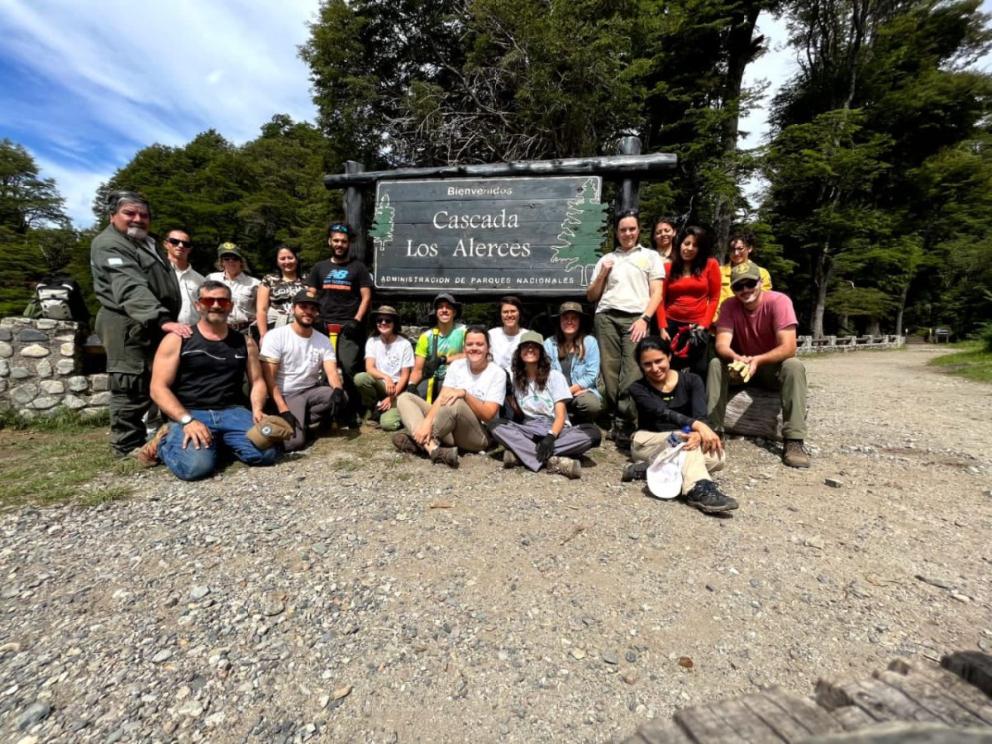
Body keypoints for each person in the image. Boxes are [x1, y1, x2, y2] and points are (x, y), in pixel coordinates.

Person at [145, 280, 279, 480]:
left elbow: (258, 381)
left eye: (223, 301)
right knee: (196, 468)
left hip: (231, 411)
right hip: (191, 412)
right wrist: (186, 420)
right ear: (198, 305)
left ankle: (217, 442)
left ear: (231, 306)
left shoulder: (245, 342)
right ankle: (165, 442)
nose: (216, 305)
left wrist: (258, 409)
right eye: (209, 301)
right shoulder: (178, 340)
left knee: (267, 454)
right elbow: (158, 388)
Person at [90, 191, 186, 457]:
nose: (138, 219)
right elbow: (129, 286)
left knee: (158, 377)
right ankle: (126, 447)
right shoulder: (109, 244)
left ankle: (156, 437)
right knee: (130, 381)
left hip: (151, 321)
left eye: (143, 215)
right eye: (129, 213)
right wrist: (162, 319)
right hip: (127, 322)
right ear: (112, 216)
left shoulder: (146, 243)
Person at [707, 261, 810, 468]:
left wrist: (758, 360)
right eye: (738, 286)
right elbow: (722, 344)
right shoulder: (729, 306)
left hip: (770, 367)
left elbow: (789, 347)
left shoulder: (779, 301)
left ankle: (794, 440)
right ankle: (714, 431)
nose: (745, 290)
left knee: (794, 365)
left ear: (760, 282)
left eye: (750, 283)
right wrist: (737, 357)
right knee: (716, 364)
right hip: (743, 365)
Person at [624, 336, 736, 513]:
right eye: (647, 364)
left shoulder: (692, 381)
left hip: (684, 438)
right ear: (641, 366)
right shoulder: (638, 388)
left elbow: (701, 415)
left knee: (718, 457)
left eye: (659, 361)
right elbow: (662, 412)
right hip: (650, 441)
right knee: (684, 442)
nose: (654, 368)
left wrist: (697, 433)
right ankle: (699, 489)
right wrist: (697, 427)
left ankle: (650, 468)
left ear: (669, 356)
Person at [586, 210, 665, 448]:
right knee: (609, 370)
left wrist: (645, 318)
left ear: (638, 231)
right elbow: (591, 296)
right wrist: (603, 273)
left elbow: (657, 292)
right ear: (617, 233)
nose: (627, 233)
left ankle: (627, 419)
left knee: (633, 370)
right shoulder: (607, 258)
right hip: (607, 316)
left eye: (632, 229)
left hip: (636, 317)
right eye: (623, 230)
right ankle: (615, 420)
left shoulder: (650, 256)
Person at [489, 332, 601, 479]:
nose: (530, 349)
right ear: (519, 352)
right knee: (496, 425)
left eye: (535, 347)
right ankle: (553, 461)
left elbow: (560, 415)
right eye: (526, 347)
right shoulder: (516, 379)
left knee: (592, 434)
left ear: (542, 352)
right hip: (530, 429)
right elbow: (518, 411)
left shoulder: (555, 376)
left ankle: (522, 454)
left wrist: (550, 437)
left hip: (556, 429)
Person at [393, 326, 504, 468]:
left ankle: (417, 441)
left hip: (479, 435)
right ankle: (433, 449)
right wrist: (427, 421)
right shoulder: (456, 366)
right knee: (405, 397)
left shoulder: (497, 373)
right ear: (464, 347)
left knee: (456, 402)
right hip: (449, 428)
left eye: (480, 344)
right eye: (469, 344)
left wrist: (465, 394)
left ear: (488, 348)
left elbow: (488, 415)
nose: (474, 348)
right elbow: (441, 398)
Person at [259, 291, 347, 452]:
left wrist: (338, 389)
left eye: (313, 308)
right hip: (286, 394)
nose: (308, 311)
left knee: (339, 396)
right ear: (293, 309)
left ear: (317, 313)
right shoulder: (276, 336)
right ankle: (283, 418)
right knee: (294, 443)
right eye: (303, 306)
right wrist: (284, 409)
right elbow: (268, 378)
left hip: (310, 390)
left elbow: (332, 371)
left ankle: (301, 422)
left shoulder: (323, 340)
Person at [306, 221, 372, 380]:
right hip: (323, 324)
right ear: (330, 241)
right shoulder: (319, 267)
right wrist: (314, 317)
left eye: (343, 241)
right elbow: (310, 294)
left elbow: (367, 296)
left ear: (349, 243)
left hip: (348, 326)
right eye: (336, 240)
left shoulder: (358, 267)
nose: (339, 244)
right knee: (320, 366)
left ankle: (352, 402)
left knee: (348, 365)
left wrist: (356, 320)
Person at [656, 225, 721, 382]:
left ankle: (697, 403)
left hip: (697, 327)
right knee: (670, 368)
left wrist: (704, 325)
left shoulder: (710, 265)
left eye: (695, 245)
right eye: (686, 243)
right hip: (671, 325)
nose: (689, 248)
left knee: (699, 369)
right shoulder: (668, 268)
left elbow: (714, 298)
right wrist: (662, 327)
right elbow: (659, 299)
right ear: (679, 244)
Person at [353, 305, 414, 431]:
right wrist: (386, 377)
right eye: (379, 320)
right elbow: (369, 368)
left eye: (388, 320)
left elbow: (405, 375)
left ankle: (395, 410)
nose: (383, 323)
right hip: (381, 384)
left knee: (388, 424)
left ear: (394, 323)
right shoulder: (372, 341)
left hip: (398, 389)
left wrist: (391, 398)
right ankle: (374, 407)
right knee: (360, 378)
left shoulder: (405, 344)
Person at [543, 302, 602, 425]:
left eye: (574, 318)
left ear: (580, 322)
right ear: (559, 322)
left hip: (578, 392)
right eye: (565, 318)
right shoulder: (549, 343)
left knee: (592, 405)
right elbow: (544, 372)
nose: (569, 321)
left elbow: (592, 375)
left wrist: (569, 391)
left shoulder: (590, 342)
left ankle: (575, 418)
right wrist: (558, 394)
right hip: (553, 393)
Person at [409, 293, 466, 401]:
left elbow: (470, 355)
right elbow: (417, 370)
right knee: (410, 398)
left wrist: (444, 360)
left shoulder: (464, 331)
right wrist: (411, 385)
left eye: (448, 307)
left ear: (454, 312)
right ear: (436, 313)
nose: (444, 310)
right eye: (440, 307)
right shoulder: (425, 337)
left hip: (457, 381)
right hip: (432, 380)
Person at [715, 230, 772, 320]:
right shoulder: (718, 272)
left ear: (749, 248)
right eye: (732, 250)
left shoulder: (761, 273)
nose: (736, 253)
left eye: (740, 249)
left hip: (749, 324)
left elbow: (764, 301)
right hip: (720, 323)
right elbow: (709, 299)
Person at [206, 242, 260, 334]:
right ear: (221, 262)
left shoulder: (255, 283)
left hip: (246, 331)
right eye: (226, 259)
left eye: (235, 258)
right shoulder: (211, 279)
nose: (231, 261)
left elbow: (262, 310)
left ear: (241, 261)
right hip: (216, 329)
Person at [257, 245, 306, 339]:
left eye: (290, 258)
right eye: (282, 259)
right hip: (275, 328)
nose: (287, 262)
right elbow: (261, 310)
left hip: (302, 328)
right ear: (277, 261)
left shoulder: (307, 279)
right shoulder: (269, 279)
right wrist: (263, 335)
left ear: (296, 259)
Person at [162, 228, 203, 326]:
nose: (181, 245)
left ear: (190, 249)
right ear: (165, 244)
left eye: (186, 244)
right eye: (174, 241)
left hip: (193, 332)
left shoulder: (201, 279)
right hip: (163, 331)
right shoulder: (156, 273)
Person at [489, 296, 529, 371]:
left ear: (519, 313)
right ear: (500, 314)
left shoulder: (527, 335)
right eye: (505, 312)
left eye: (513, 311)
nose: (509, 315)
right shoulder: (491, 335)